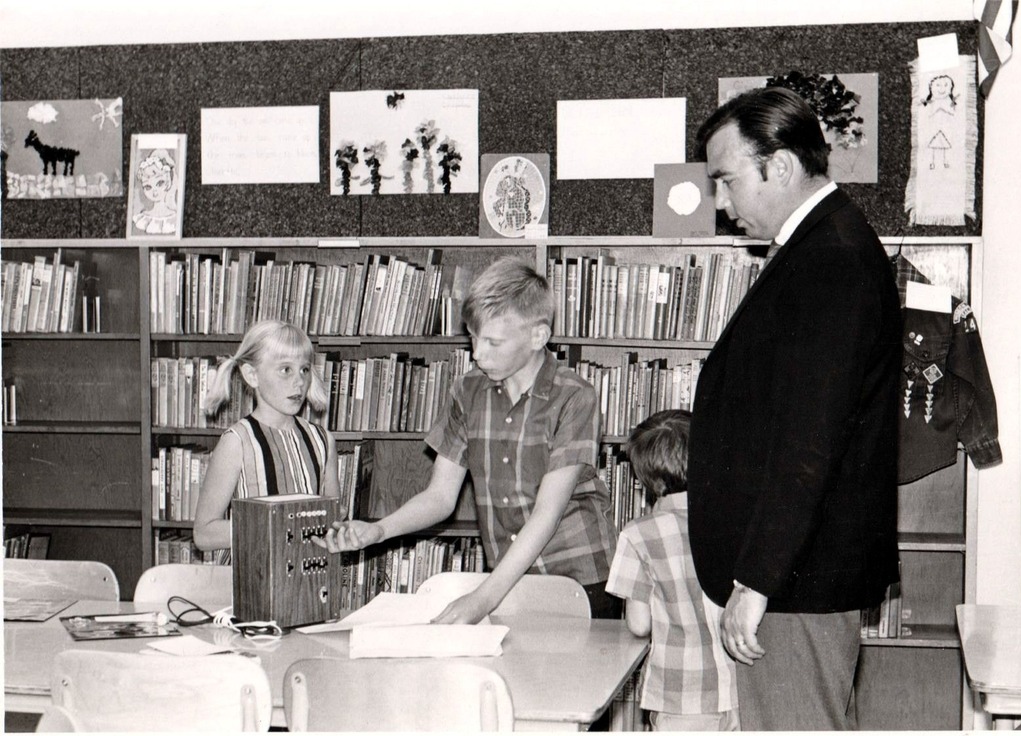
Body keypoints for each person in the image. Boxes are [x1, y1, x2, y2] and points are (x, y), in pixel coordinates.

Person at [686, 86, 902, 731]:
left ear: (778, 166)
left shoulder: (829, 260)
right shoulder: (821, 247)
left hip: (793, 583)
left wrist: (757, 581)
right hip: (795, 578)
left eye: (725, 180)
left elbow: (810, 438)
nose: (721, 204)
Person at [315, 256, 620, 621]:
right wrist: (378, 531)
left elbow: (546, 514)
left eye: (493, 342)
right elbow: (440, 497)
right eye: (474, 339)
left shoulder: (574, 396)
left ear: (538, 336)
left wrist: (482, 600)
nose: (478, 353)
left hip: (580, 579)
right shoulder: (467, 390)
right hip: (508, 583)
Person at [606, 409, 739, 732]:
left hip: (680, 695)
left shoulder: (638, 535)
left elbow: (639, 624)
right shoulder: (733, 523)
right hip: (741, 688)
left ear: (644, 477)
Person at [194, 320, 338, 551]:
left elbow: (333, 519)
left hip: (307, 579)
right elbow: (203, 534)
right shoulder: (237, 442)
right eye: (285, 370)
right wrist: (275, 526)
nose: (299, 381)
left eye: (305, 369)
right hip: (250, 577)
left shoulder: (323, 441)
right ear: (252, 375)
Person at [131, 148, 179, 235]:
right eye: (148, 187)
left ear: (168, 183)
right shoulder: (141, 219)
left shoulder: (175, 219)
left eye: (160, 183)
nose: (154, 192)